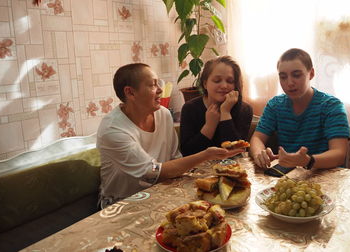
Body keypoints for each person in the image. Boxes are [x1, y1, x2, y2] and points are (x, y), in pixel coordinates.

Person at [97, 63, 242, 208]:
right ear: (130, 93)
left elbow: (175, 157)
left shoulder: (163, 114)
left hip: (161, 192)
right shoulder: (113, 130)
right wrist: (206, 155)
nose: (160, 90)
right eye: (153, 85)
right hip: (122, 203)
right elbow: (152, 173)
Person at [250, 48, 350, 171]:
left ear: (311, 74)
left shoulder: (331, 106)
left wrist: (308, 161)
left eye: (296, 75)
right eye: (283, 77)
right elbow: (257, 138)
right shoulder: (275, 105)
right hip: (289, 176)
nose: (290, 83)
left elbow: (339, 154)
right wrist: (259, 153)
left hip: (326, 176)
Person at [180, 56, 253, 156]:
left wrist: (225, 113)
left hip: (233, 168)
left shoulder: (244, 110)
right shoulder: (190, 109)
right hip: (198, 170)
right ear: (205, 83)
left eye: (230, 81)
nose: (224, 86)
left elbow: (236, 153)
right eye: (217, 80)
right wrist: (209, 126)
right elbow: (188, 153)